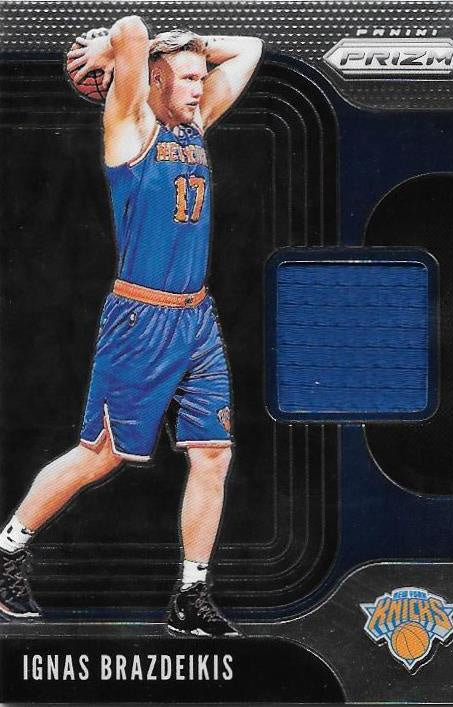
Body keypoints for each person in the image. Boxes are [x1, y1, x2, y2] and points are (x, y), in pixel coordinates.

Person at [0, 16, 263, 637]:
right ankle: (7, 548)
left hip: (197, 319)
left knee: (214, 453)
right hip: (141, 319)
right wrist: (113, 49)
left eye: (201, 77)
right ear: (150, 80)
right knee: (101, 455)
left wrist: (186, 48)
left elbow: (250, 47)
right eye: (187, 78)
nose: (200, 86)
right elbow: (132, 27)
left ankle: (191, 595)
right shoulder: (129, 127)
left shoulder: (195, 125)